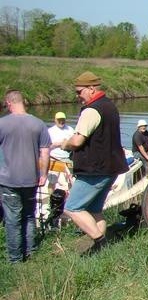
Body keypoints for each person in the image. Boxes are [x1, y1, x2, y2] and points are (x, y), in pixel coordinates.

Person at [62, 72, 129, 255]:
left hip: (95, 169)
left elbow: (77, 141)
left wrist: (64, 143)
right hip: (111, 167)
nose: (77, 96)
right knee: (94, 210)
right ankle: (100, 252)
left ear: (91, 89)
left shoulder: (91, 110)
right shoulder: (110, 106)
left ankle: (101, 242)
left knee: (72, 208)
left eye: (79, 92)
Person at [0, 90, 50, 263]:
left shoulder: (2, 124)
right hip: (31, 178)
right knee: (29, 215)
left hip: (8, 180)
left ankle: (15, 259)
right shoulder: (39, 124)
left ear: (8, 102)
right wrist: (43, 175)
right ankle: (31, 251)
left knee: (12, 219)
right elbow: (45, 153)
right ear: (23, 102)